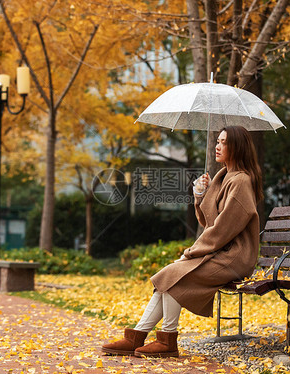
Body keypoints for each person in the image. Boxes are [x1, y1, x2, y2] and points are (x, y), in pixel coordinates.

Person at [101, 126, 263, 358]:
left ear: (237, 147)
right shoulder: (222, 177)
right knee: (170, 275)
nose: (217, 146)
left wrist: (192, 252)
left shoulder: (241, 181)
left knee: (175, 275)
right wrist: (200, 196)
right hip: (220, 251)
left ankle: (167, 340)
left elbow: (222, 230)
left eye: (224, 142)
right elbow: (209, 221)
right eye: (217, 141)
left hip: (234, 256)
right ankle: (136, 336)